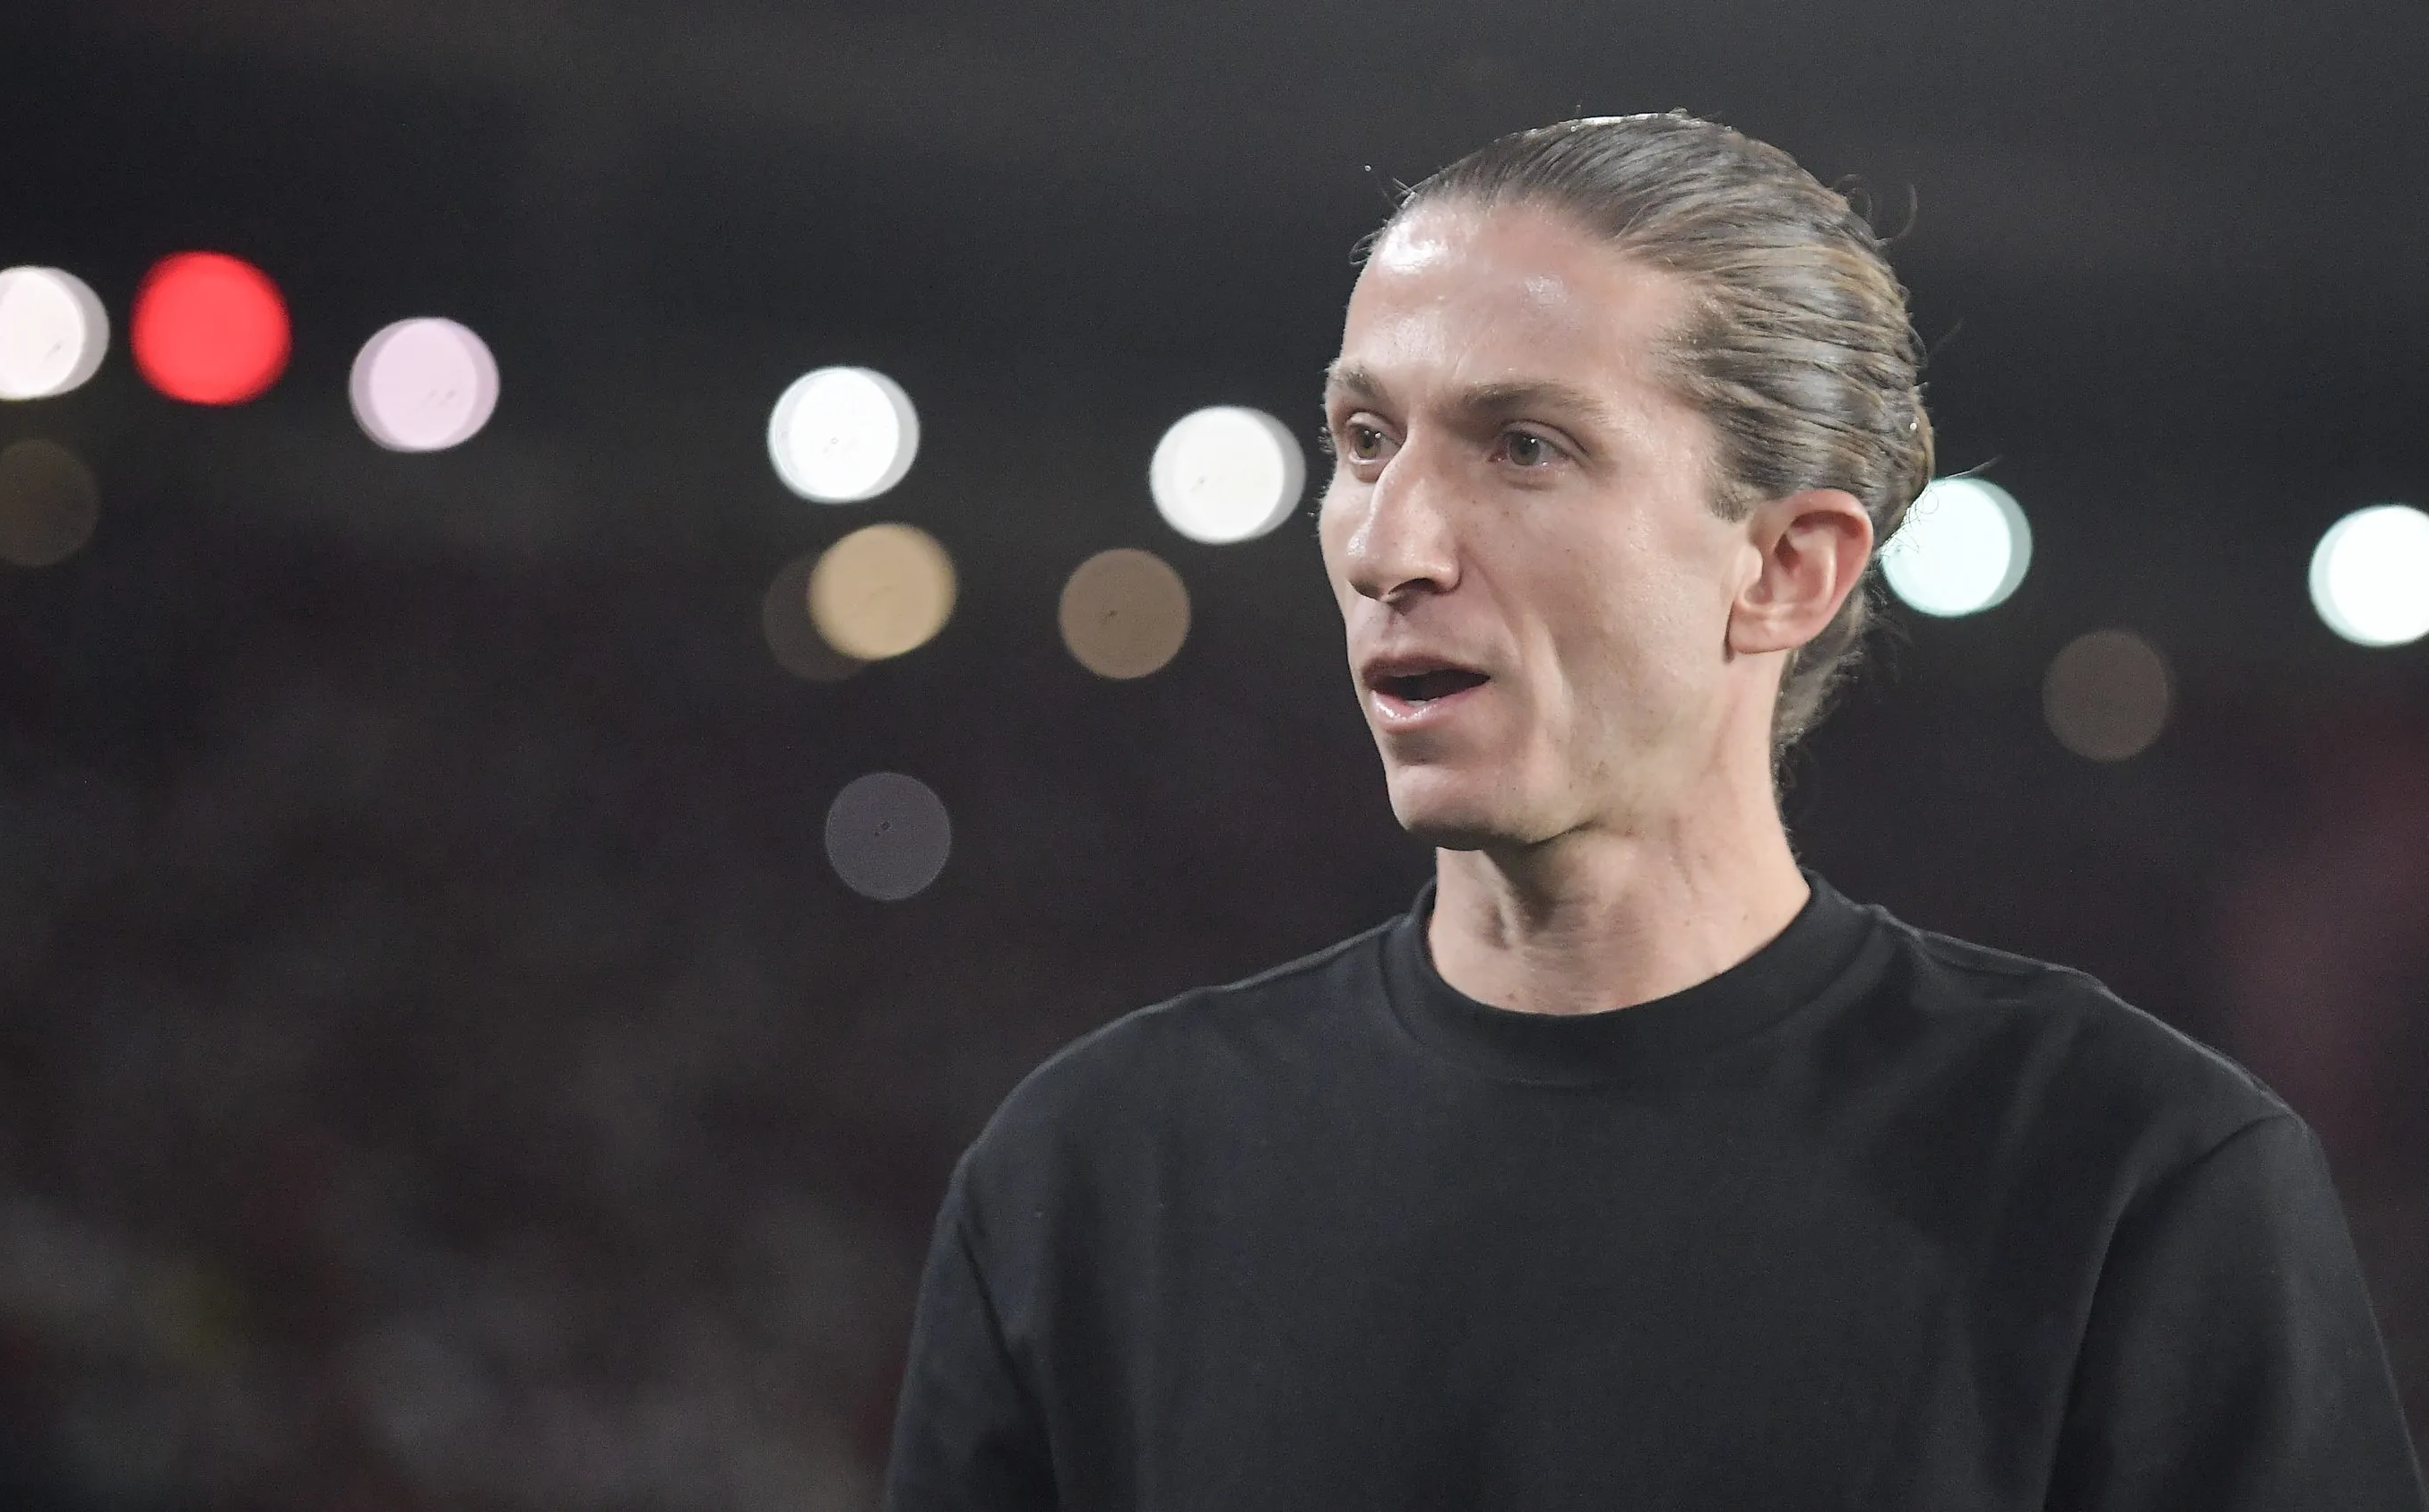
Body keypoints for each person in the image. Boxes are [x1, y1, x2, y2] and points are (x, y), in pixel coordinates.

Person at [881, 113, 2429, 1511]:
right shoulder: (1087, 1179)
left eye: (1525, 446)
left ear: (1785, 569)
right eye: (1365, 440)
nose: (1390, 542)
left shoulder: (2134, 1186)